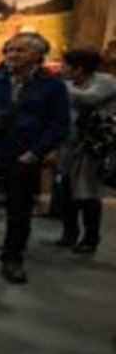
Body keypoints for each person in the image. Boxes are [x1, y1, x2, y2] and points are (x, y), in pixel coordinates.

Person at [0, 32, 70, 283]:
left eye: (20, 50)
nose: (12, 55)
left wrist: (36, 152)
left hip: (25, 158)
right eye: (10, 50)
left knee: (19, 212)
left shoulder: (53, 86)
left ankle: (12, 259)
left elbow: (59, 125)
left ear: (38, 55)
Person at [58, 47, 116, 252]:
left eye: (65, 65)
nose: (61, 69)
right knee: (66, 189)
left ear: (79, 69)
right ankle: (69, 233)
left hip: (92, 145)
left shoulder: (105, 81)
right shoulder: (69, 83)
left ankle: (90, 238)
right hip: (69, 144)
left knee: (88, 193)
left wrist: (61, 87)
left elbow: (91, 98)